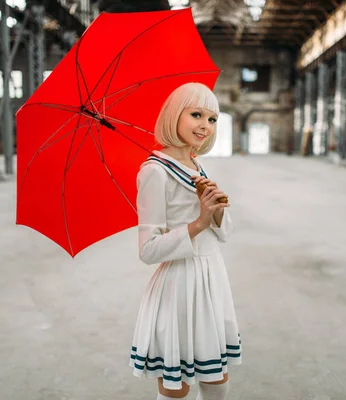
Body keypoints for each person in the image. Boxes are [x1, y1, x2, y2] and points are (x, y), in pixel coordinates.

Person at [129, 82, 242, 400]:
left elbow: (224, 234)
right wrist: (198, 223)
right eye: (196, 114)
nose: (205, 126)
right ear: (173, 115)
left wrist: (216, 211)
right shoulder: (154, 171)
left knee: (216, 377)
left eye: (212, 119)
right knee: (177, 384)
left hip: (211, 278)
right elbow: (148, 250)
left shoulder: (197, 165)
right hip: (179, 284)